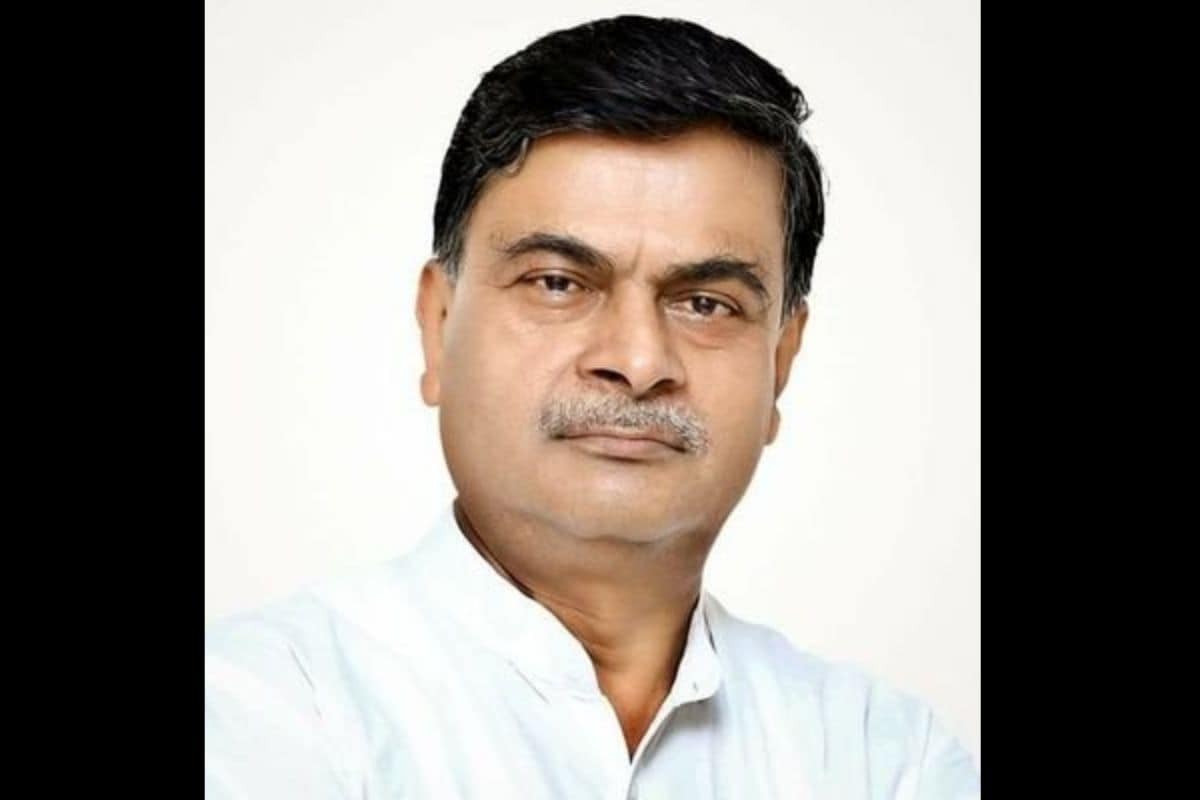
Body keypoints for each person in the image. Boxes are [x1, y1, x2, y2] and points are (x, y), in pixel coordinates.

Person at [205, 14, 980, 799]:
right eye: (558, 283)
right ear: (438, 327)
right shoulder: (259, 711)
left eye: (705, 303)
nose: (638, 362)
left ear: (781, 362)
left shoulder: (882, 758)